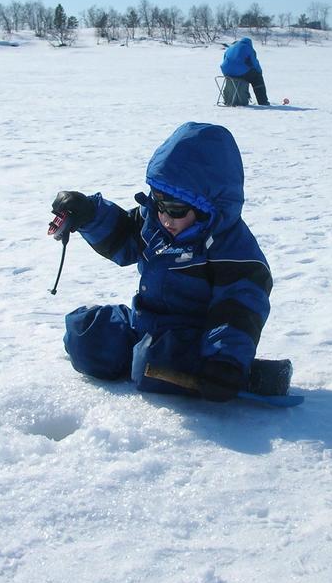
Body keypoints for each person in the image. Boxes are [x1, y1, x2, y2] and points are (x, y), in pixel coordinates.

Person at [51, 122, 275, 401]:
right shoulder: (154, 223)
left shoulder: (231, 247)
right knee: (86, 336)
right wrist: (89, 214)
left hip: (196, 339)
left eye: (176, 210)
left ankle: (241, 375)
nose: (165, 218)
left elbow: (239, 307)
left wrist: (224, 357)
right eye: (158, 203)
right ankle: (136, 355)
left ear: (210, 207)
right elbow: (121, 238)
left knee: (151, 361)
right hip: (144, 323)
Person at [220, 37, 270, 105]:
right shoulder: (249, 48)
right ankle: (263, 101)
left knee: (239, 73)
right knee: (257, 78)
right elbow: (255, 63)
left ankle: (228, 98)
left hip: (226, 72)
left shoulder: (231, 47)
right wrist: (259, 72)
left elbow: (225, 59)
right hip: (240, 72)